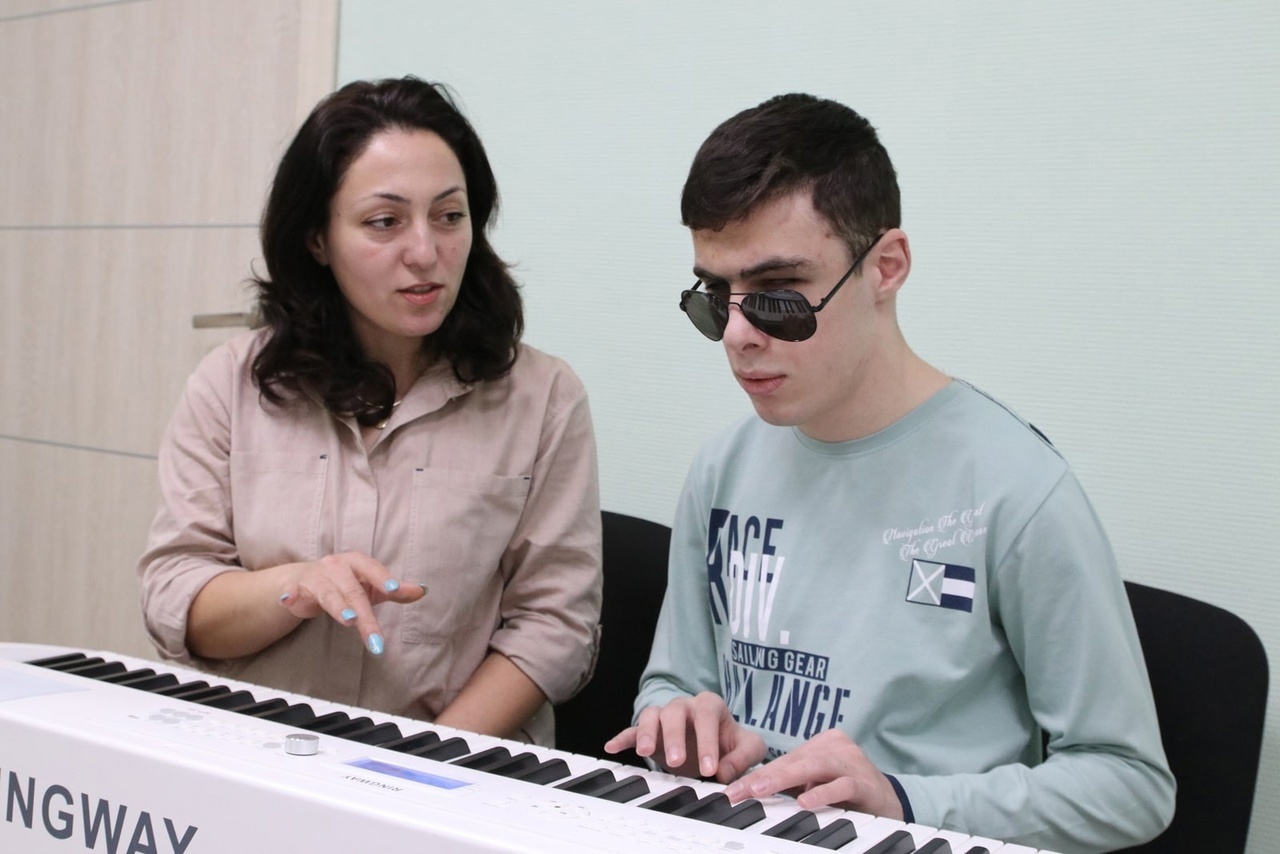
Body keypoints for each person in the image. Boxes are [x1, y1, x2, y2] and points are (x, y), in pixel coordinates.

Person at [605, 93, 1174, 852]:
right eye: (716, 297)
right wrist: (677, 724)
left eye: (778, 296)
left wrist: (903, 801)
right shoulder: (723, 468)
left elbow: (1130, 783)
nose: (738, 335)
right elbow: (674, 682)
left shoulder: (1015, 490)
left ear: (886, 267)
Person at [138, 77, 602, 747]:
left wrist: (416, 766)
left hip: (452, 771)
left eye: (449, 216)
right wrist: (295, 588)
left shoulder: (544, 397)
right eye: (385, 222)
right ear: (317, 239)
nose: (426, 252)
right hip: (253, 756)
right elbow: (175, 595)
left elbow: (556, 625)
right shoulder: (229, 385)